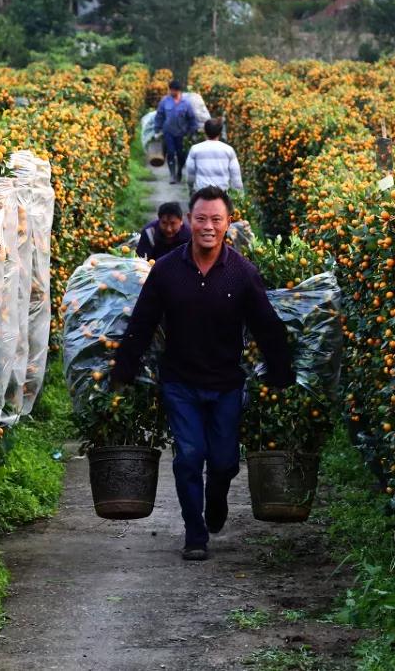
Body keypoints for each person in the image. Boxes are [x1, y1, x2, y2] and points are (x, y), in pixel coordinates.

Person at [111, 186, 293, 562]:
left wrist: (282, 371)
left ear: (229, 224)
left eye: (216, 219)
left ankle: (217, 499)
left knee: (224, 461)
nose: (208, 226)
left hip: (226, 383)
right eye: (201, 219)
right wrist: (123, 369)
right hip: (180, 382)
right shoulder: (166, 271)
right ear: (189, 222)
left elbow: (266, 325)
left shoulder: (242, 274)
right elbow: (142, 322)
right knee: (189, 456)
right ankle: (195, 533)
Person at [154, 80, 199, 184]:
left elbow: (191, 118)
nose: (171, 92)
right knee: (170, 152)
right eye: (170, 90)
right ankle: (172, 175)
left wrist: (193, 131)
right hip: (168, 131)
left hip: (182, 133)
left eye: (173, 90)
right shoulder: (165, 101)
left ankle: (179, 171)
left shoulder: (186, 103)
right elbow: (159, 116)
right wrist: (157, 130)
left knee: (181, 154)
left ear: (178, 91)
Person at [184, 118, 243, 193]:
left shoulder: (195, 149)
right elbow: (235, 175)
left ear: (205, 131)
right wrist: (238, 193)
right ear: (219, 132)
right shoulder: (228, 150)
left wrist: (190, 187)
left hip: (202, 192)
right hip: (221, 193)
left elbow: (190, 172)